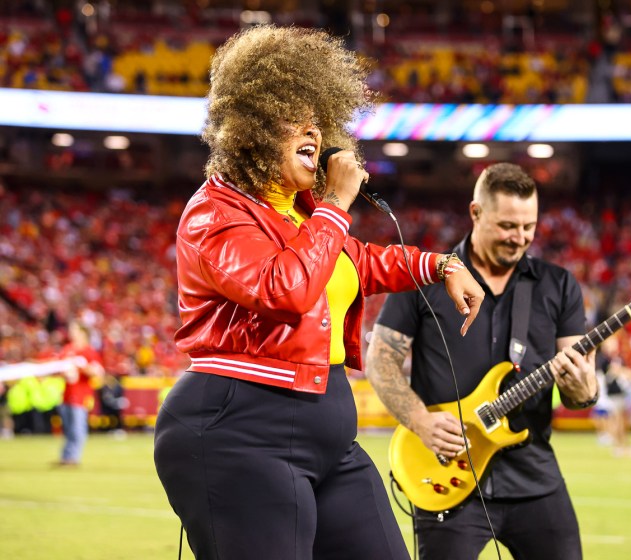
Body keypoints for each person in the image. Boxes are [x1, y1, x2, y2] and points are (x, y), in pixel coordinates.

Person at [152, 25, 485, 560]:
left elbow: (358, 261)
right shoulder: (214, 213)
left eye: (319, 119)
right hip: (241, 432)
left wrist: (440, 263)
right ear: (252, 128)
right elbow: (286, 287)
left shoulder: (302, 212)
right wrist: (335, 205)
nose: (314, 132)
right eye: (293, 119)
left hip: (328, 434)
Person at [365, 162, 599, 560]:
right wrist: (420, 421)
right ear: (476, 213)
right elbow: (381, 360)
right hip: (446, 473)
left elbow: (583, 391)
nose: (520, 237)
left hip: (533, 475)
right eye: (508, 225)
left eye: (529, 226)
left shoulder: (558, 285)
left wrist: (582, 389)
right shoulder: (428, 276)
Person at [55, 320, 104, 467]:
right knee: (68, 428)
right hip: (66, 394)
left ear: (82, 332)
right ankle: (66, 456)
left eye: (74, 329)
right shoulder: (68, 349)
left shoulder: (89, 351)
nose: (71, 332)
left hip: (81, 395)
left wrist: (83, 368)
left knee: (77, 427)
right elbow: (59, 367)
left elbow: (98, 372)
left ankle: (73, 457)